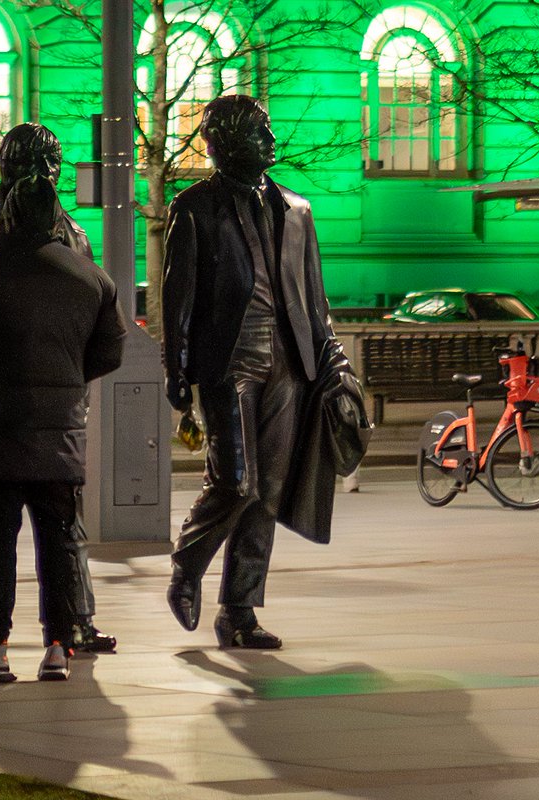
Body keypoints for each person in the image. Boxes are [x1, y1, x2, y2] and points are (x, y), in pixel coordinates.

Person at [161, 94, 336, 650]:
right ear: (230, 142)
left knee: (267, 494)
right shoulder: (193, 207)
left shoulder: (298, 210)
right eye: (261, 131)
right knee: (235, 481)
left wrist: (331, 363)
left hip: (288, 363)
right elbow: (177, 299)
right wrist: (177, 371)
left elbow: (315, 299)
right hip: (226, 362)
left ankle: (239, 611)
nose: (272, 140)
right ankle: (188, 564)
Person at [0, 175, 127, 682]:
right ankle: (58, 648)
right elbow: (111, 350)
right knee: (59, 542)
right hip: (60, 430)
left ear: (8, 216)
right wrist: (67, 377)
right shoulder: (93, 279)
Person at [0, 122, 115, 655]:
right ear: (4, 169)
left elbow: (97, 329)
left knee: (63, 526)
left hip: (56, 405)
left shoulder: (75, 236)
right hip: (1, 402)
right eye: (23, 165)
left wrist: (69, 379)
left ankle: (73, 622)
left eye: (47, 166)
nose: (36, 177)